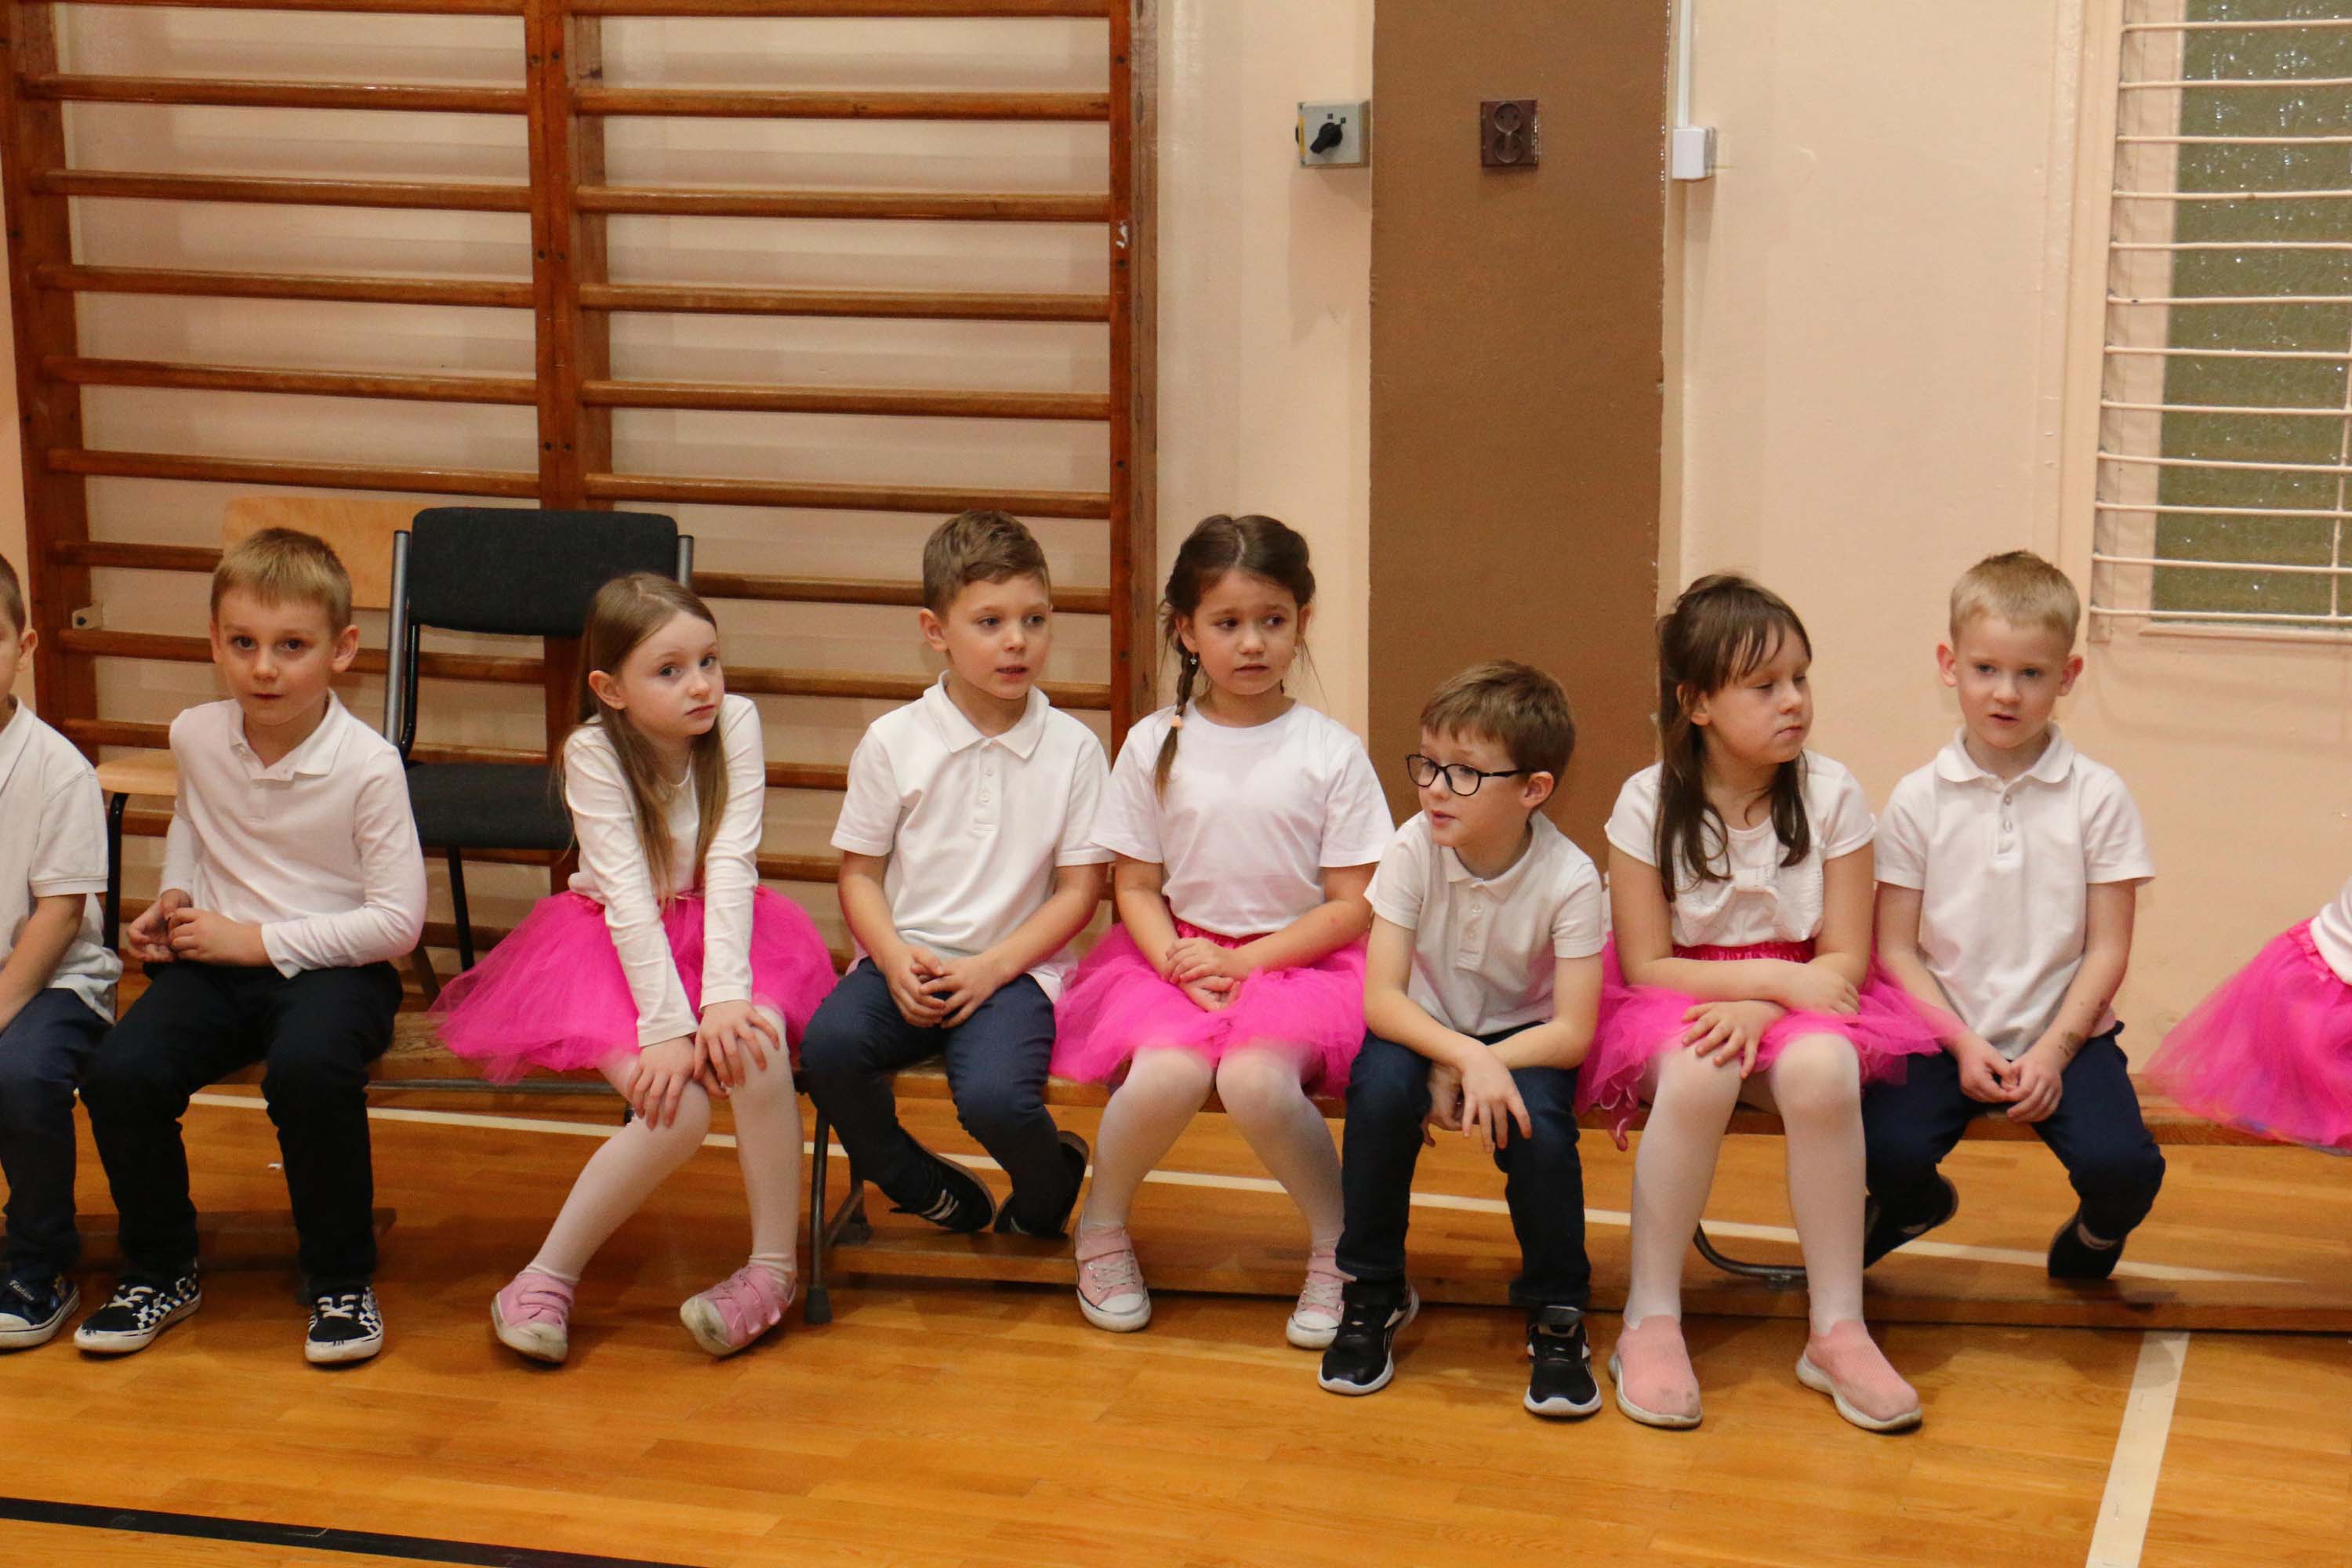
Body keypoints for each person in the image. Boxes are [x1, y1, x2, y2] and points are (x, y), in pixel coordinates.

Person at [437, 572, 836, 1363]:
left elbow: (732, 861)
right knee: (676, 1109)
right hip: (614, 948)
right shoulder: (592, 752)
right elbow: (624, 897)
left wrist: (724, 998)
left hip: (725, 931)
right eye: (670, 670)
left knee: (753, 1048)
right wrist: (665, 1028)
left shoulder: (737, 722)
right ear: (609, 689)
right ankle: (544, 1278)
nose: (702, 685)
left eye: (709, 661)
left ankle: (772, 1271)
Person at [78, 528, 426, 1364]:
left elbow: (397, 924)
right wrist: (176, 896)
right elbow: (193, 820)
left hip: (338, 969)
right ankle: (161, 1269)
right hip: (219, 964)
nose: (264, 668)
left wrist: (255, 940)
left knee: (308, 1071)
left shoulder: (370, 765)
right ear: (214, 642)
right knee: (120, 1073)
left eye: (291, 646)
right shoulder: (195, 733)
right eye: (243, 643)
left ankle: (340, 1278)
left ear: (343, 649)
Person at [1054, 514, 1392, 1345]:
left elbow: (1352, 904)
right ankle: (1101, 1227)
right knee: (1163, 1077)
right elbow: (1135, 884)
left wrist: (1246, 964)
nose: (1251, 643)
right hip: (1175, 957)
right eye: (1228, 622)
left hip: (1299, 963)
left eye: (1272, 621)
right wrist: (1179, 960)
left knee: (1255, 1081)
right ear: (1186, 629)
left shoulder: (1330, 750)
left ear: (1303, 622)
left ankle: (1341, 1249)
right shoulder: (1153, 743)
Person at [1319, 661, 1603, 1417]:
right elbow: (1382, 999)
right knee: (1380, 1094)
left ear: (1533, 789)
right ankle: (1373, 1288)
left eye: (1466, 773)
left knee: (1540, 1129)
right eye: (1429, 765)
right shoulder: (1412, 847)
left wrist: (1483, 1061)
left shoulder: (1572, 878)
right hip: (1422, 1024)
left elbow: (1572, 1033)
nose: (1436, 788)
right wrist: (1456, 1055)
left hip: (1524, 1038)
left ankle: (1557, 1311)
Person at [0, 553, 122, 1349]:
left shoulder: (57, 769)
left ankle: (38, 1263)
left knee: (18, 1073)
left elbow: (59, 913)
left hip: (53, 982)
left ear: (25, 644)